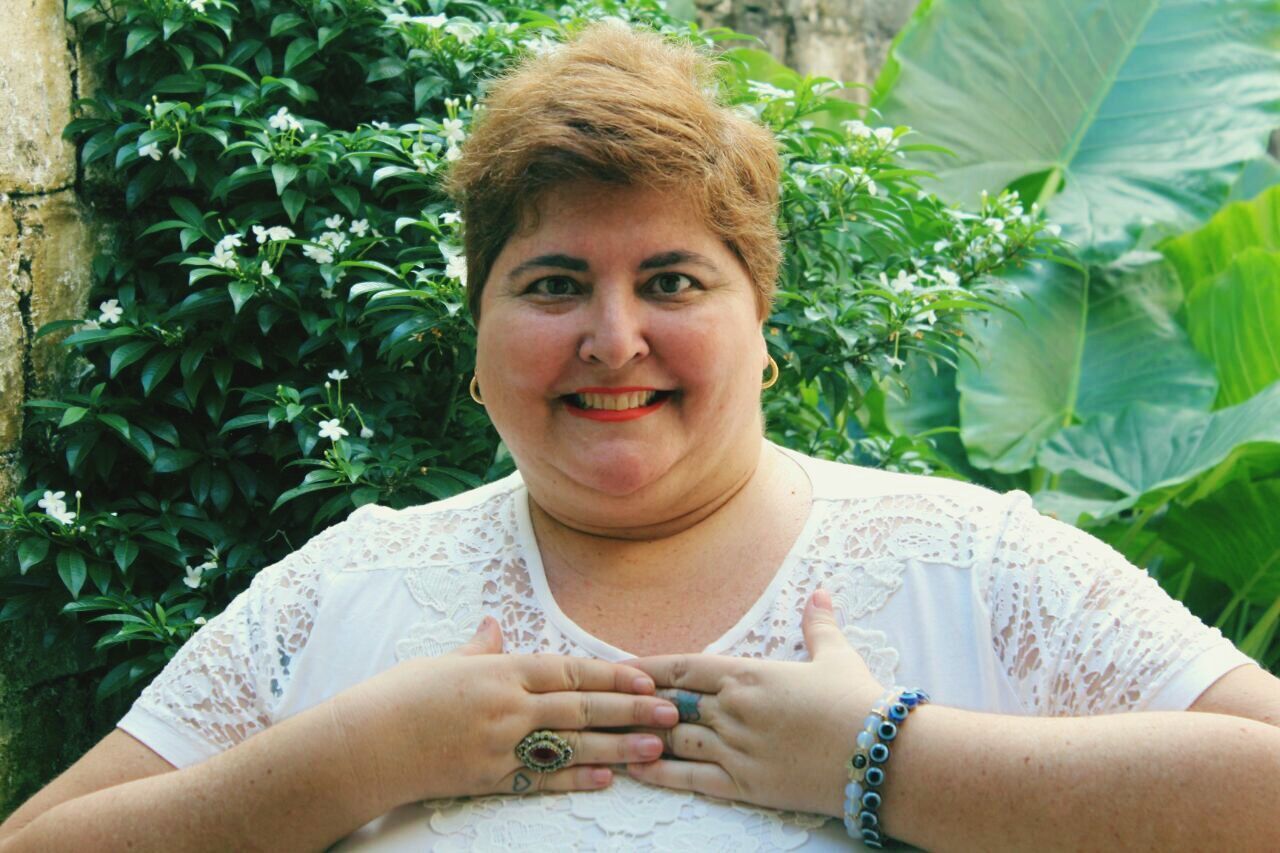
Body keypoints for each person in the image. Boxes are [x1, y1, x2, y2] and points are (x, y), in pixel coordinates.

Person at [3, 21, 1280, 853]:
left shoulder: (977, 566)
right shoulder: (346, 588)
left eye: (672, 280)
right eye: (553, 284)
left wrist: (883, 755)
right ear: (477, 339)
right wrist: (355, 757)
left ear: (760, 321)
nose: (612, 339)